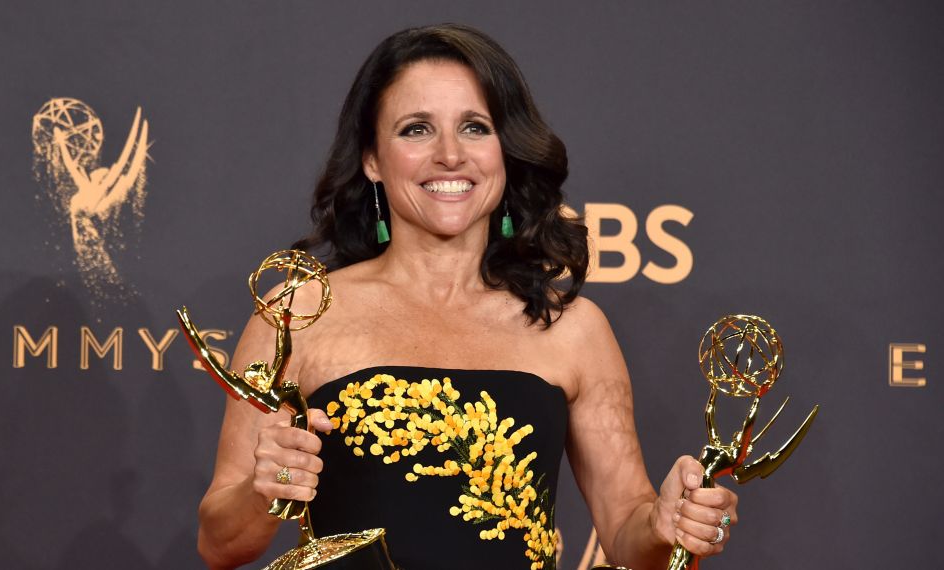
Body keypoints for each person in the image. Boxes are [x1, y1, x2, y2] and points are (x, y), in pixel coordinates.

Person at [197, 24, 738, 570]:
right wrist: (269, 489)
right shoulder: (299, 314)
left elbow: (626, 531)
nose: (450, 155)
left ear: (506, 149)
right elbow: (219, 543)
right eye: (416, 130)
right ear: (372, 159)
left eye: (475, 127)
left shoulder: (574, 329)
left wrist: (668, 523)